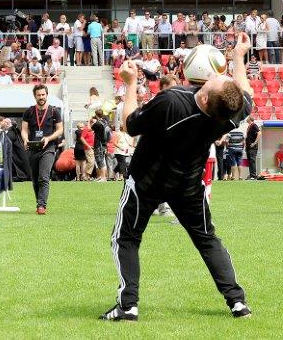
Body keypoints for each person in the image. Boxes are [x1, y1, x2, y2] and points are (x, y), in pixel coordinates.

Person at [101, 32, 253, 323]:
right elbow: (246, 94)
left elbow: (130, 125)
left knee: (126, 238)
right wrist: (238, 58)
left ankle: (128, 306)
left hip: (145, 182)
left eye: (217, 78)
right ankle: (237, 303)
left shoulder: (172, 101)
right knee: (207, 240)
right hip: (187, 184)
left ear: (206, 96)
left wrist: (130, 84)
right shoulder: (231, 111)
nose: (217, 76)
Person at [20, 84, 63, 214]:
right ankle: (39, 202)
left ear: (47, 95)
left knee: (43, 177)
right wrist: (25, 140)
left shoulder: (54, 111)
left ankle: (41, 205)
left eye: (43, 94)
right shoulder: (29, 112)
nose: (41, 97)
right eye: (38, 95)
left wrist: (49, 138)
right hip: (32, 149)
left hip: (48, 148)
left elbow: (60, 129)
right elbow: (24, 129)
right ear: (35, 96)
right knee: (35, 179)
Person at [245, 115, 261, 179]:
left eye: (247, 118)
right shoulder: (249, 126)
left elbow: (259, 133)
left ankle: (253, 175)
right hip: (248, 147)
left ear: (250, 119)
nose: (246, 119)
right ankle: (251, 174)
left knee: (252, 161)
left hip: (252, 147)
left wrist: (254, 143)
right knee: (249, 161)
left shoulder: (254, 125)